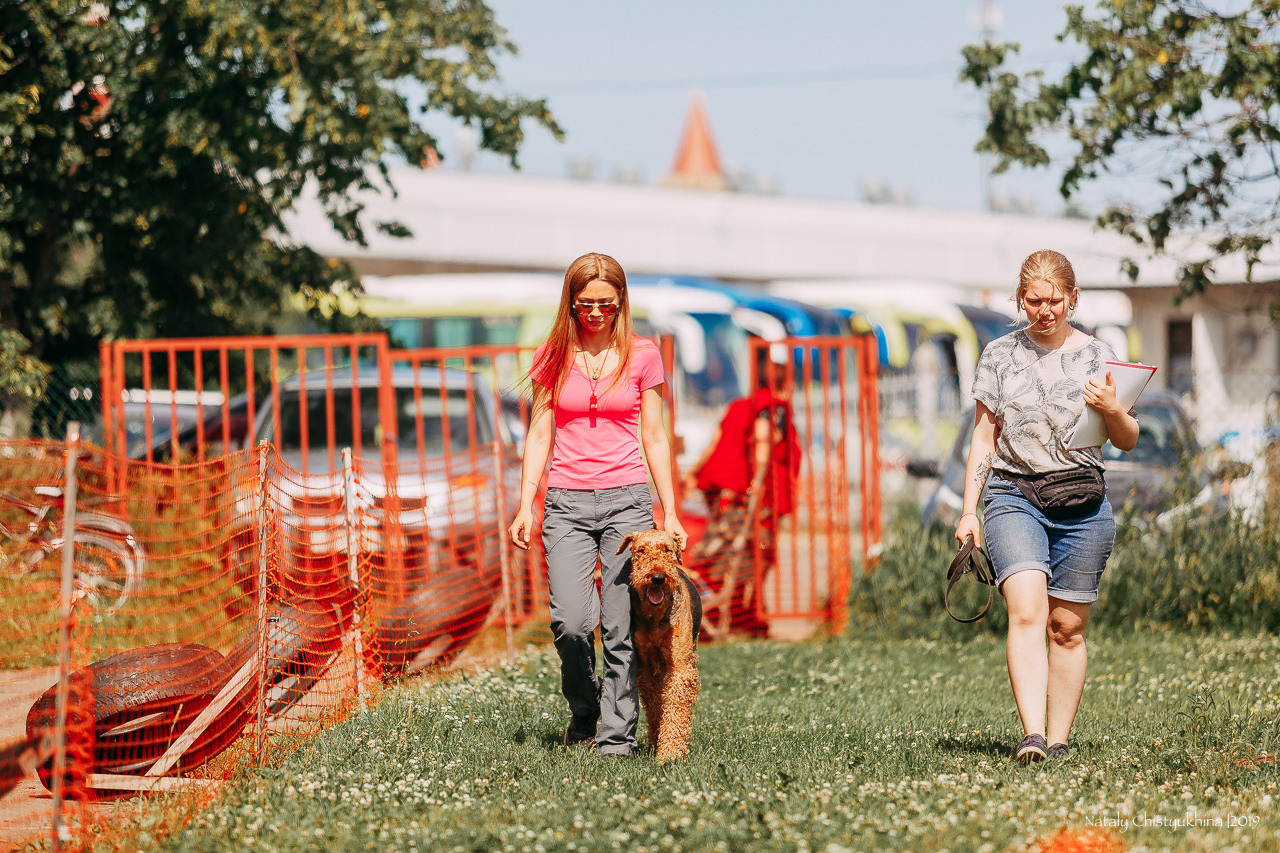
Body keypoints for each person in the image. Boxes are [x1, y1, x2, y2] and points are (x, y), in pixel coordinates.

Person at [955, 249, 1139, 764]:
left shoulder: (1100, 355)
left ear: (1073, 298)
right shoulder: (997, 354)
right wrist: (970, 510)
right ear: (1020, 300)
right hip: (1014, 495)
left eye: (1054, 300)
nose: (1044, 310)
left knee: (1068, 628)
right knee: (1028, 610)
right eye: (1034, 300)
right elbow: (984, 435)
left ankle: (1058, 741)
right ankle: (1032, 736)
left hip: (1082, 498)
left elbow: (1126, 439)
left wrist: (1112, 409)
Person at [508, 252, 687, 758]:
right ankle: (585, 713)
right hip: (565, 501)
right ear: (570, 301)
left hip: (627, 502)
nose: (594, 313)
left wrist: (668, 510)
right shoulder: (552, 355)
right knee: (569, 624)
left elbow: (654, 433)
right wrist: (526, 505)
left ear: (621, 301)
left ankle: (615, 739)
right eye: (584, 303)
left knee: (620, 628)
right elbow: (540, 431)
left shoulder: (643, 353)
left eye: (605, 304)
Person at [683, 353, 800, 637]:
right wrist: (756, 485)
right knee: (754, 555)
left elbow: (713, 444)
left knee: (726, 550)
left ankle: (741, 613)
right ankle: (744, 616)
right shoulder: (773, 408)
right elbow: (763, 440)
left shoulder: (738, 406)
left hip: (722, 490)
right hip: (755, 495)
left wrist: (693, 474)